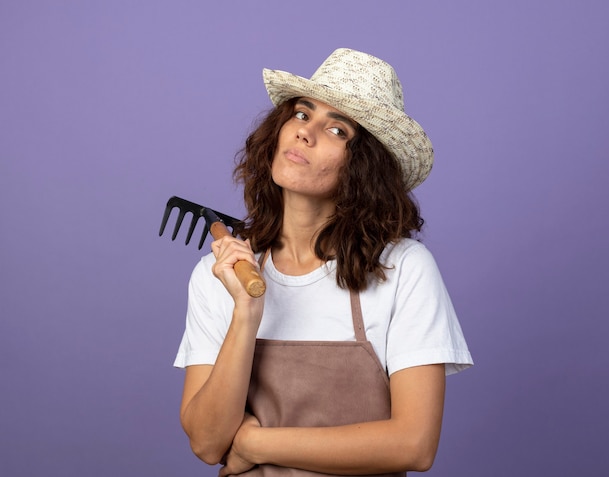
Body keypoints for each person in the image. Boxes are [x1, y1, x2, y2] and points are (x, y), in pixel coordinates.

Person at [173, 48, 473, 476]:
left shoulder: (403, 269)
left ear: (362, 167)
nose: (305, 134)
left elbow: (414, 444)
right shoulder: (221, 275)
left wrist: (255, 442)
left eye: (336, 130)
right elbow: (206, 442)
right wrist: (245, 312)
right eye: (301, 114)